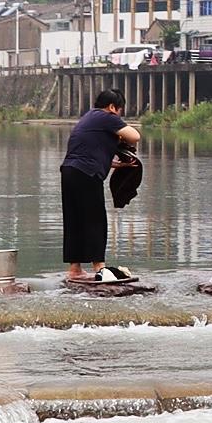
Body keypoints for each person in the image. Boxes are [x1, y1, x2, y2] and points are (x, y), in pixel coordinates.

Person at [59, 88, 142, 286]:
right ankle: (100, 269)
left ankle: (75, 270)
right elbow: (135, 136)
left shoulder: (88, 118)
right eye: (119, 110)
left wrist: (118, 164)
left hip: (70, 171)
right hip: (87, 174)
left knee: (75, 220)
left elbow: (91, 152)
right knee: (96, 220)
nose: (119, 115)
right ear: (112, 107)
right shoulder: (106, 116)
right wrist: (121, 137)